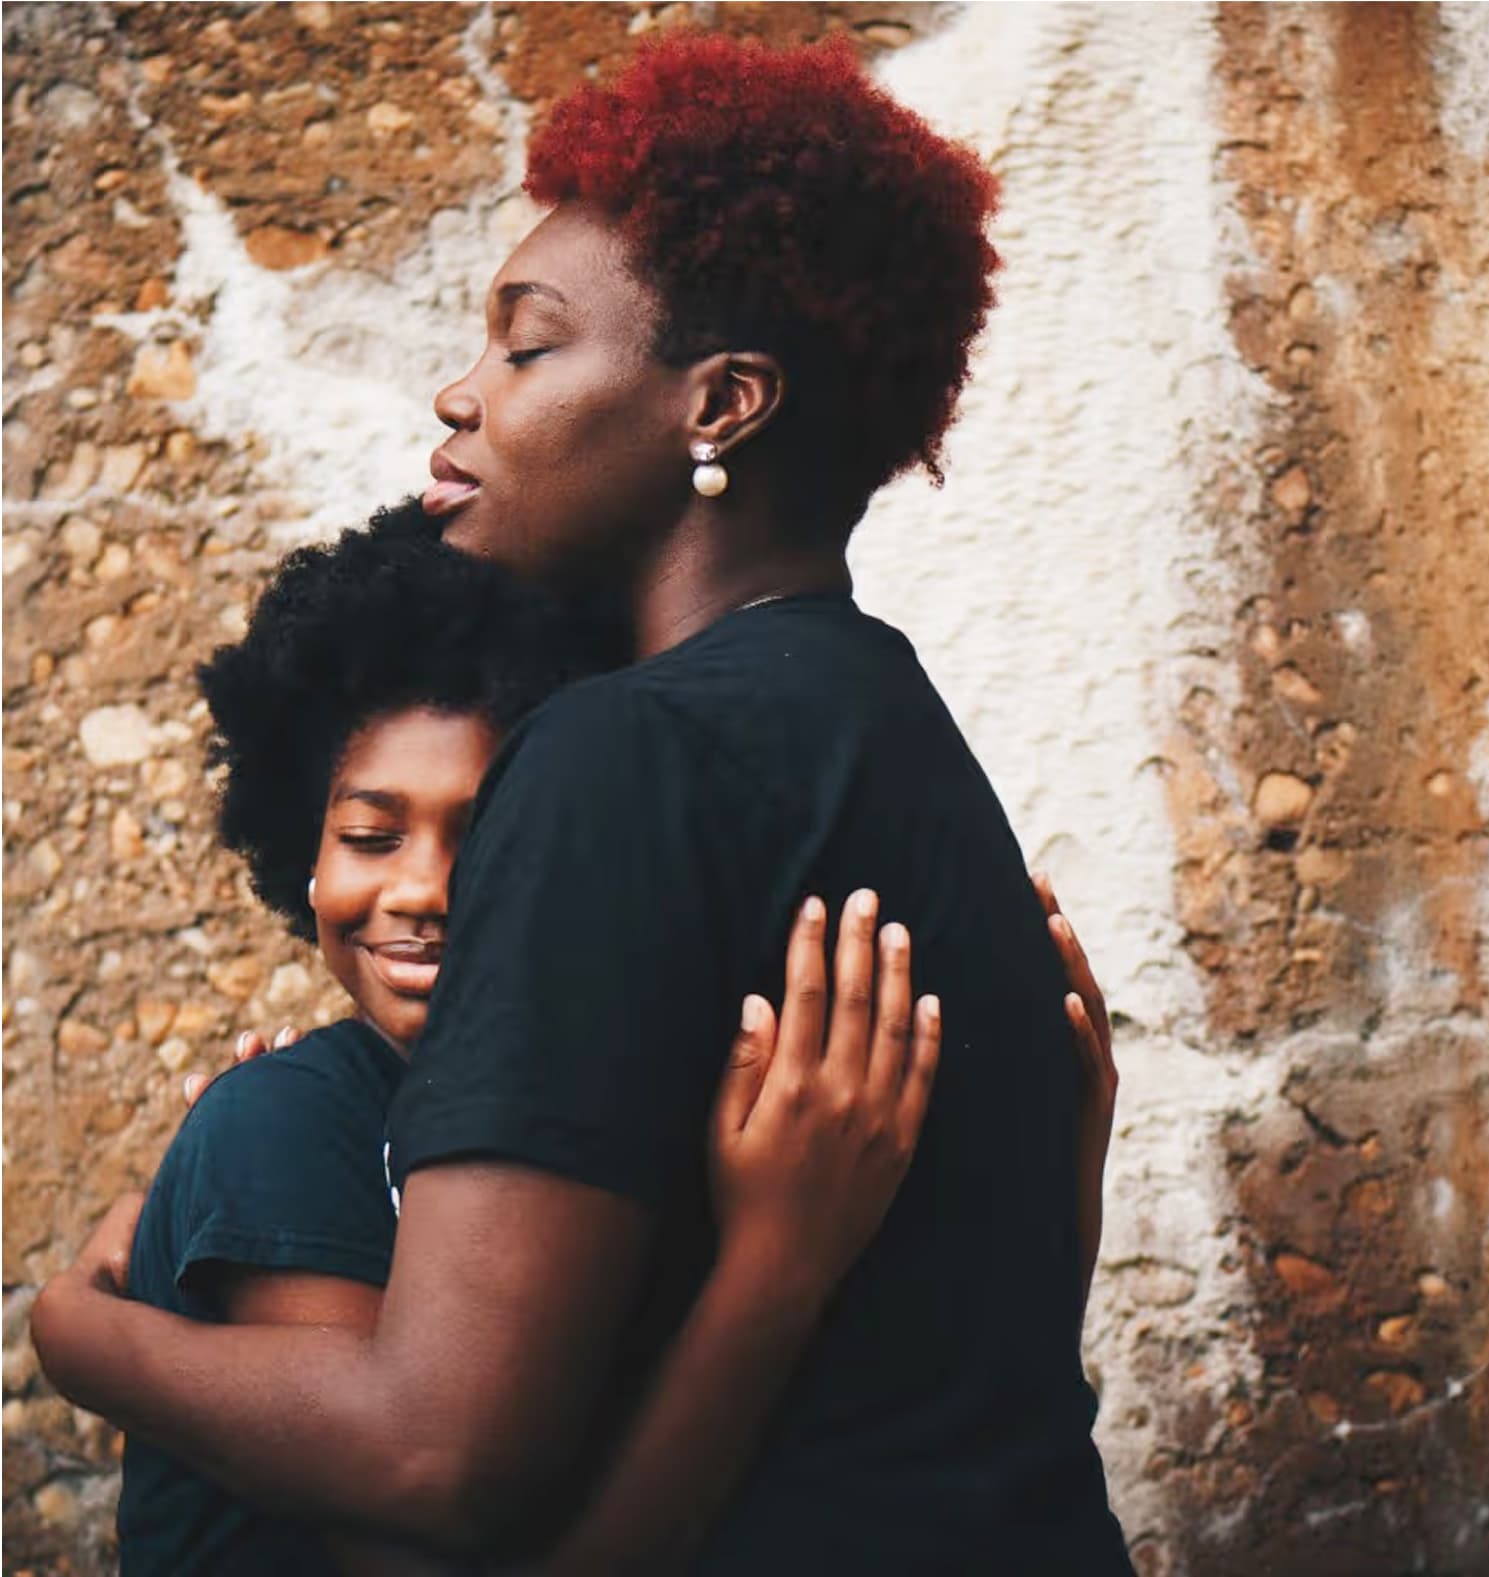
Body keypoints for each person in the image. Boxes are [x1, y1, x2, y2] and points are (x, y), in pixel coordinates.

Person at [34, 30, 1133, 1572]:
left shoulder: (626, 752)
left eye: (528, 347)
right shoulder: (892, 730)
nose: (461, 393)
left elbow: (436, 1453)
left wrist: (82, 1335)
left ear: (722, 404)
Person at [115, 502, 943, 1575]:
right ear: (301, 856)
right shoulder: (287, 1119)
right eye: (371, 834)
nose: (421, 888)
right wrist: (774, 1265)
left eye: (491, 833)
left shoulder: (607, 1120)